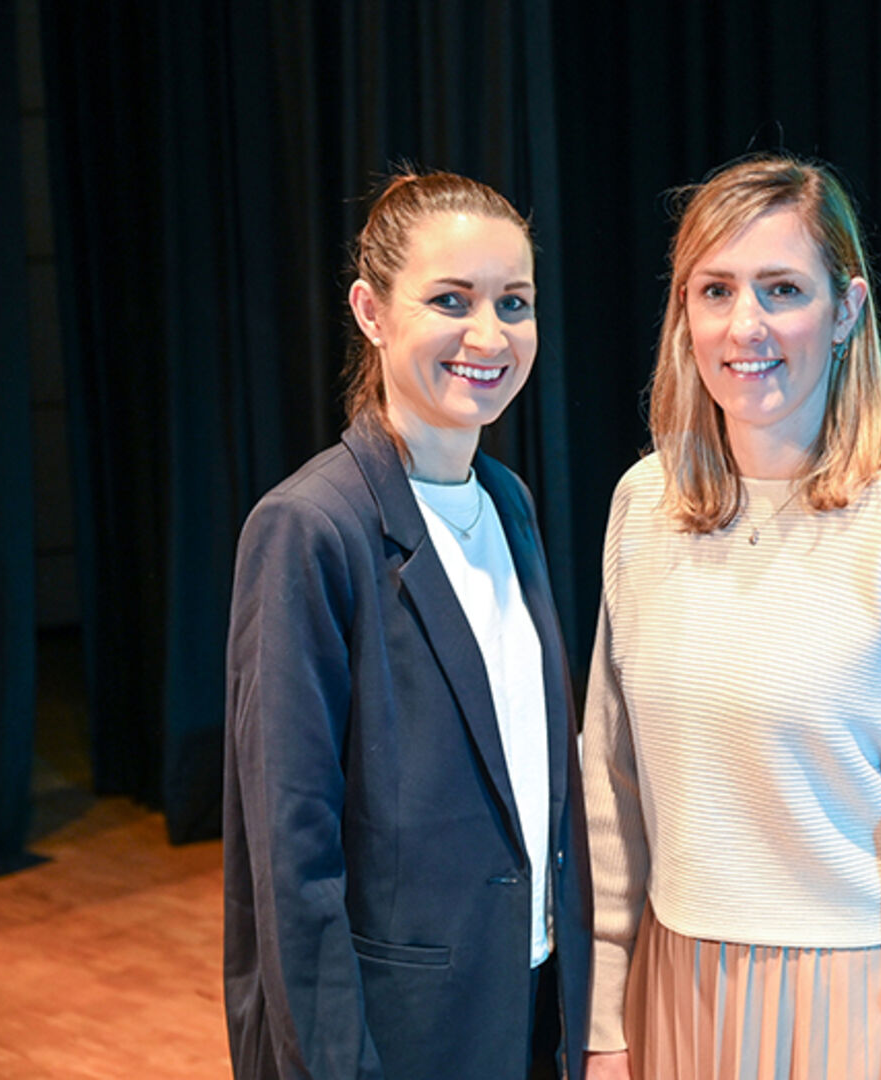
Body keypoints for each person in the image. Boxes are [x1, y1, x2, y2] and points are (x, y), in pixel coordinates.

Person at [580, 154, 881, 1080]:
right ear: (686, 316)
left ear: (845, 311)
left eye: (781, 288)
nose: (745, 324)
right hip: (673, 992)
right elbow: (609, 785)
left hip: (862, 1009)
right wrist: (603, 1021)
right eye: (716, 290)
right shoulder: (642, 504)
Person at [222, 171, 590, 1079]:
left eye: (515, 302)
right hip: (401, 1034)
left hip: (530, 1005)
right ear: (372, 311)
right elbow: (290, 856)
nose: (489, 335)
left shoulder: (508, 503)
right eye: (450, 300)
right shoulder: (310, 527)